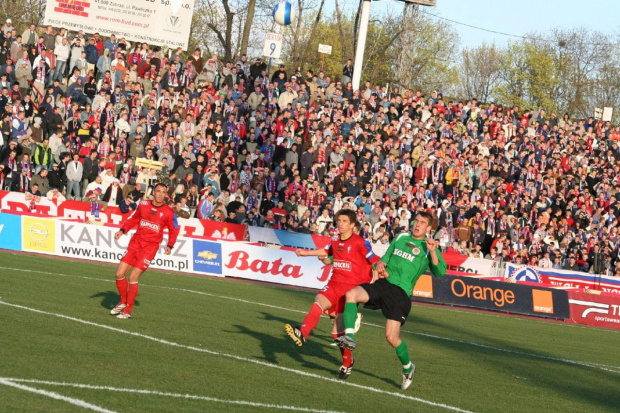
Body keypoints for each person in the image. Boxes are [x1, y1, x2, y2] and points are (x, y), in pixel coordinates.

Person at [335, 211, 447, 390]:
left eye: (422, 223)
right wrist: (380, 265)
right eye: (416, 221)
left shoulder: (429, 247)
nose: (417, 225)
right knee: (351, 294)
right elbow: (384, 259)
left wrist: (433, 252)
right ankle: (349, 336)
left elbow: (440, 271)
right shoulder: (401, 236)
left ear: (428, 228)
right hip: (384, 283)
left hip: (400, 295)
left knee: (391, 337)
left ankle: (408, 368)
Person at [284, 209, 380, 379]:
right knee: (318, 301)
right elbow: (326, 252)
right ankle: (303, 333)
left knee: (337, 335)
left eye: (344, 221)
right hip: (334, 285)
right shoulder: (335, 242)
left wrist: (382, 269)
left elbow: (374, 258)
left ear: (352, 225)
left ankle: (347, 363)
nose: (340, 224)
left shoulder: (360, 242)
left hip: (350, 292)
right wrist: (305, 253)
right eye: (338, 221)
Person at [111, 183, 180, 319]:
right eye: (158, 191)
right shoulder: (143, 204)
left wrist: (170, 245)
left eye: (163, 192)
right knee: (119, 273)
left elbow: (174, 230)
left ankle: (128, 311)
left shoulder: (169, 212)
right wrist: (122, 230)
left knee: (133, 277)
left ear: (166, 195)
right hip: (135, 243)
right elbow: (134, 219)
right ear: (153, 192)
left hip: (150, 247)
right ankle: (123, 301)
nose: (160, 194)